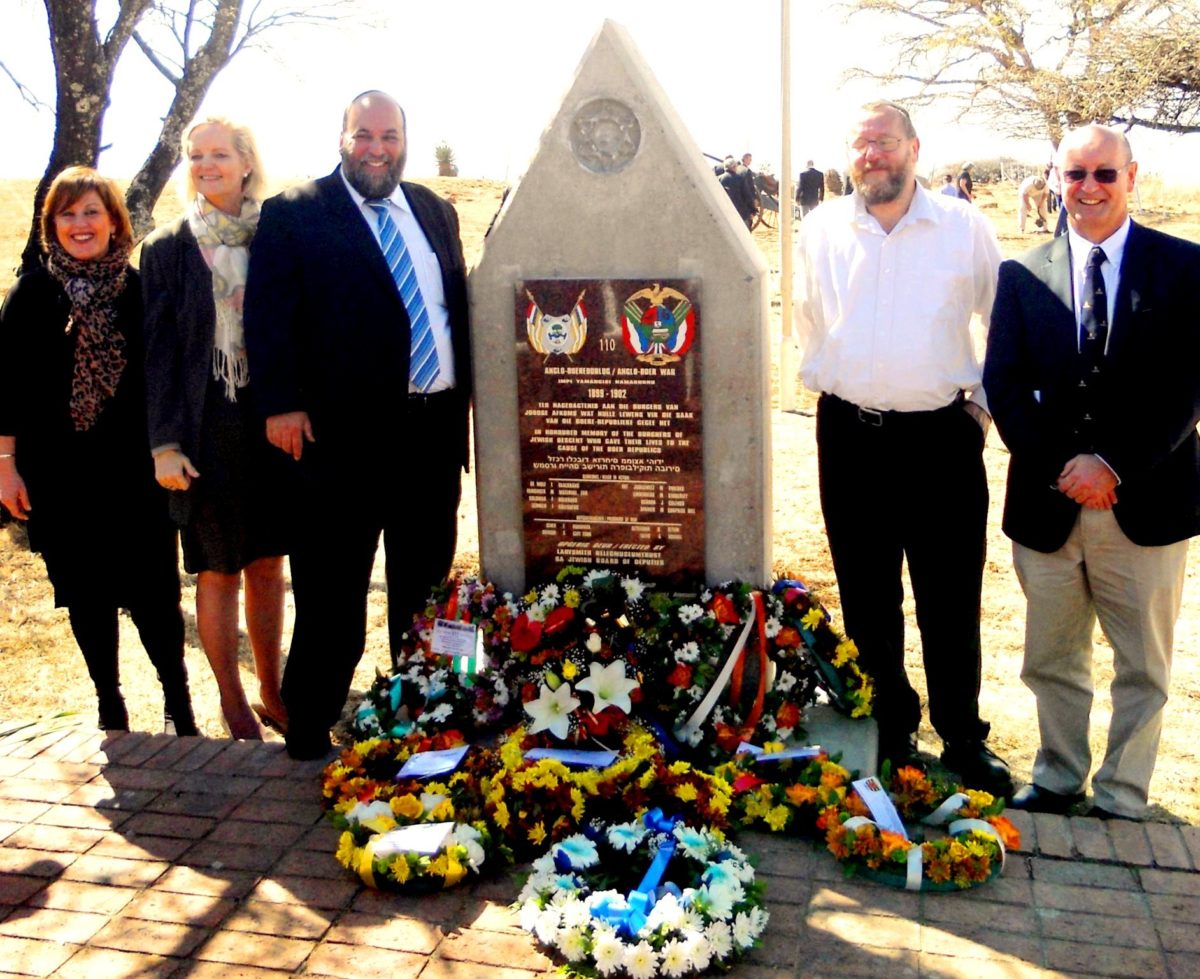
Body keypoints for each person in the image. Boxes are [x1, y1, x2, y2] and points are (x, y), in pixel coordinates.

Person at [243, 90, 472, 760]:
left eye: (389, 136)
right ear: (342, 138)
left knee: (427, 594)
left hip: (430, 437)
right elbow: (268, 316)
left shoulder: (435, 211)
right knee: (332, 597)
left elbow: (451, 308)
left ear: (405, 139)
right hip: (339, 444)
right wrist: (280, 402)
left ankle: (430, 718)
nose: (377, 148)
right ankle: (308, 727)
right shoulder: (296, 215)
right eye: (363, 135)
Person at [794, 100, 1011, 795]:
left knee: (949, 595)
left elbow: (1000, 317)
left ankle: (962, 736)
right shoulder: (823, 226)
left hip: (941, 440)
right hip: (852, 438)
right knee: (865, 593)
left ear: (914, 148)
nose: (870, 155)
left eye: (883, 142)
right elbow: (809, 319)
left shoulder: (960, 226)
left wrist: (979, 409)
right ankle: (891, 726)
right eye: (860, 144)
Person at [983, 124, 1200, 820]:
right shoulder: (1021, 275)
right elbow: (1004, 385)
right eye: (1074, 175)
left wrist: (1111, 465)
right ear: (1055, 181)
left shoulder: (1185, 267)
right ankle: (1057, 775)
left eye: (1105, 174)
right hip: (1049, 506)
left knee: (1143, 667)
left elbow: (1186, 391)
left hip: (1148, 504)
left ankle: (1123, 791)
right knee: (1052, 657)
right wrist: (1065, 468)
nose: (1089, 188)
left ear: (1132, 178)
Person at [0, 167, 197, 735]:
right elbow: (5, 390)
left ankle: (177, 701)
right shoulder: (32, 293)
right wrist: (6, 468)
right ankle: (109, 702)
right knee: (86, 595)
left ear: (115, 221)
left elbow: (167, 375)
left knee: (155, 595)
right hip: (59, 477)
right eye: (68, 214)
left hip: (137, 473)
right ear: (51, 225)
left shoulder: (139, 290)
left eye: (92, 212)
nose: (80, 224)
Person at [141, 117, 289, 740]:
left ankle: (272, 690)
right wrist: (165, 443)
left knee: (268, 562)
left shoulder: (279, 233)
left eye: (220, 154)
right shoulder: (168, 247)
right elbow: (160, 353)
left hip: (274, 421)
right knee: (217, 567)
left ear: (246, 162)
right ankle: (231, 701)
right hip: (206, 428)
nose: (207, 165)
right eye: (196, 155)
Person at [719, 156, 757, 230]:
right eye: (736, 166)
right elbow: (747, 196)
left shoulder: (719, 179)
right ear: (734, 167)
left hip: (725, 214)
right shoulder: (740, 178)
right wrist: (753, 210)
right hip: (741, 213)